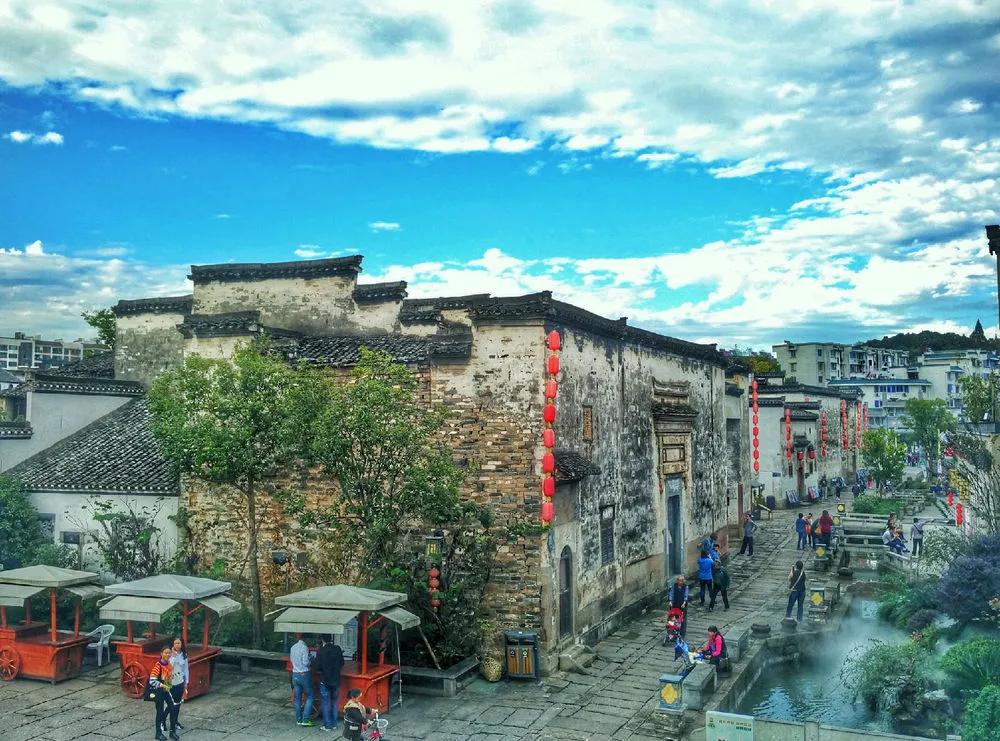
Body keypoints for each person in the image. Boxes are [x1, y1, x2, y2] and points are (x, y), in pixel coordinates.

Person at [316, 636, 344, 731]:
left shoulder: (321, 651)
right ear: (331, 639)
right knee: (335, 702)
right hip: (336, 680)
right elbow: (342, 663)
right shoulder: (337, 649)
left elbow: (318, 667)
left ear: (322, 640)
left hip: (325, 681)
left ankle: (327, 725)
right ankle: (334, 724)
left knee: (325, 702)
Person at [290, 633, 315, 727]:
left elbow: (292, 660)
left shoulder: (293, 647)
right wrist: (310, 659)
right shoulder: (304, 648)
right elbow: (305, 663)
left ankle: (299, 720)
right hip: (304, 674)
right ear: (306, 639)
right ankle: (305, 719)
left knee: (297, 698)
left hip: (295, 674)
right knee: (310, 696)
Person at [148, 646, 173, 741]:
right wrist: (162, 685)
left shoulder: (169, 664)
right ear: (161, 654)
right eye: (166, 653)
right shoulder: (158, 666)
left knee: (172, 706)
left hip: (166, 690)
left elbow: (168, 677)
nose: (168, 654)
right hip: (158, 691)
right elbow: (152, 681)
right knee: (159, 712)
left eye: (169, 653)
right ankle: (158, 733)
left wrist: (169, 684)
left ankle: (163, 719)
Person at [166, 638, 188, 740]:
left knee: (177, 704)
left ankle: (175, 722)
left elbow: (186, 669)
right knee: (171, 705)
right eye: (175, 643)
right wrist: (174, 656)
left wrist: (186, 682)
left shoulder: (184, 654)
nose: (177, 645)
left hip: (180, 681)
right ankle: (167, 725)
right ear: (172, 644)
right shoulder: (168, 654)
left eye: (179, 643)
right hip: (171, 682)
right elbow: (168, 666)